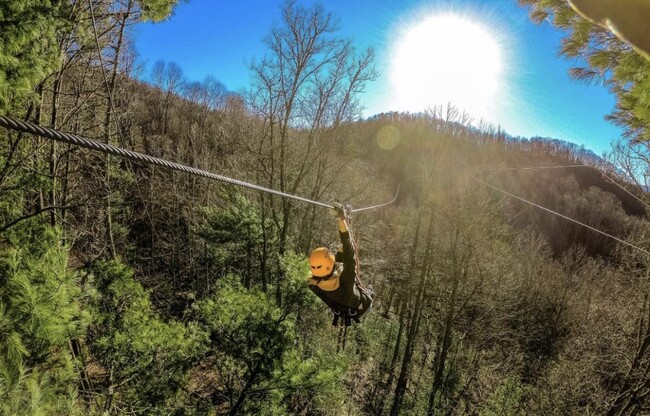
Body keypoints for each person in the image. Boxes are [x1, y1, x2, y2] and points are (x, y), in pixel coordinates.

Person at [308, 203, 373, 326]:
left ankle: (369, 291)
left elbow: (332, 271)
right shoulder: (345, 280)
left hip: (345, 304)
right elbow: (350, 248)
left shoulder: (315, 283)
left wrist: (340, 254)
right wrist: (341, 220)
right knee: (370, 291)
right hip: (364, 306)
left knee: (343, 258)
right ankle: (370, 291)